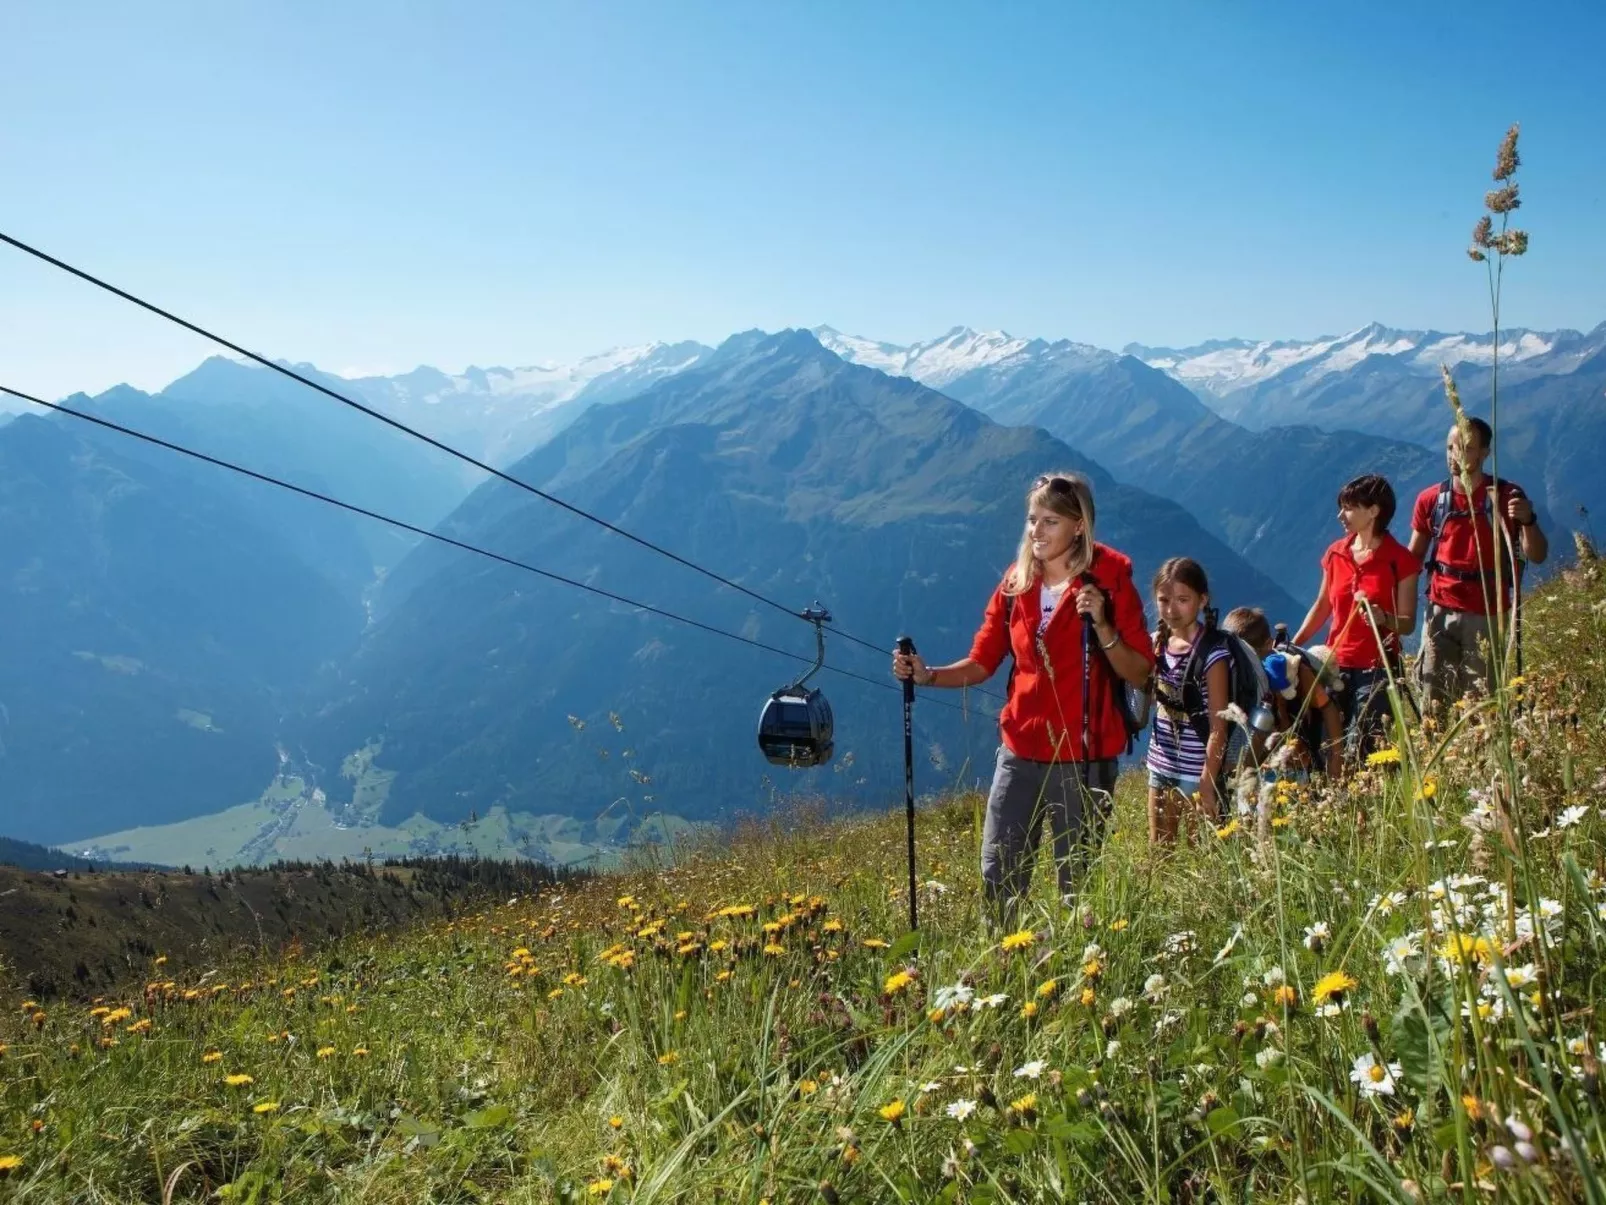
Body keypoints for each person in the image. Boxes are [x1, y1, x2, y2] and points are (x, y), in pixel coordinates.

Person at [891, 471, 1153, 923]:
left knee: (1078, 885)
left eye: (1051, 521)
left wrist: (1105, 626)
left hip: (1082, 755)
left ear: (1079, 527)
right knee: (999, 875)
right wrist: (928, 675)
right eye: (1033, 519)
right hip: (1020, 751)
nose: (1037, 531)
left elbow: (1141, 670)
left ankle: (1082, 973)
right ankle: (1005, 966)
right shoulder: (1016, 583)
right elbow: (982, 661)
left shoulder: (1109, 581)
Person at [1407, 417, 1548, 712]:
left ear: (1485, 452)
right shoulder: (1430, 500)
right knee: (1432, 700)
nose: (1454, 455)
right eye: (1450, 447)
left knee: (1481, 704)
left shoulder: (1507, 497)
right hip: (1439, 609)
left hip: (1487, 612)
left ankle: (1481, 754)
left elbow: (1536, 555)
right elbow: (1412, 561)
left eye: (1466, 448)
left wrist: (1528, 520)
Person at [1292, 475, 1420, 759]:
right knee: (1326, 747)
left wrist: (1384, 618)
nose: (1340, 515)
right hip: (1332, 664)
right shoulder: (1336, 553)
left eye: (1349, 507)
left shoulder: (1399, 560)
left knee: (1365, 748)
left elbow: (1408, 623)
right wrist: (1294, 646)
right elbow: (1322, 605)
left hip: (1376, 669)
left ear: (1373, 511)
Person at [1145, 558, 1234, 843]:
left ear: (1202, 600)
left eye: (1183, 599)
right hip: (1160, 763)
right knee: (1159, 854)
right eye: (1164, 599)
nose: (1172, 609)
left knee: (1200, 858)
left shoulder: (1213, 654)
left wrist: (1207, 785)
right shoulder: (1156, 644)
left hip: (1196, 772)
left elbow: (1218, 726)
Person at [1222, 606, 1344, 780]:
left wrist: (1336, 762)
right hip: (1263, 756)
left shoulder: (1294, 671)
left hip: (1295, 755)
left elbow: (1328, 709)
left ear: (1268, 645)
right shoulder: (1231, 673)